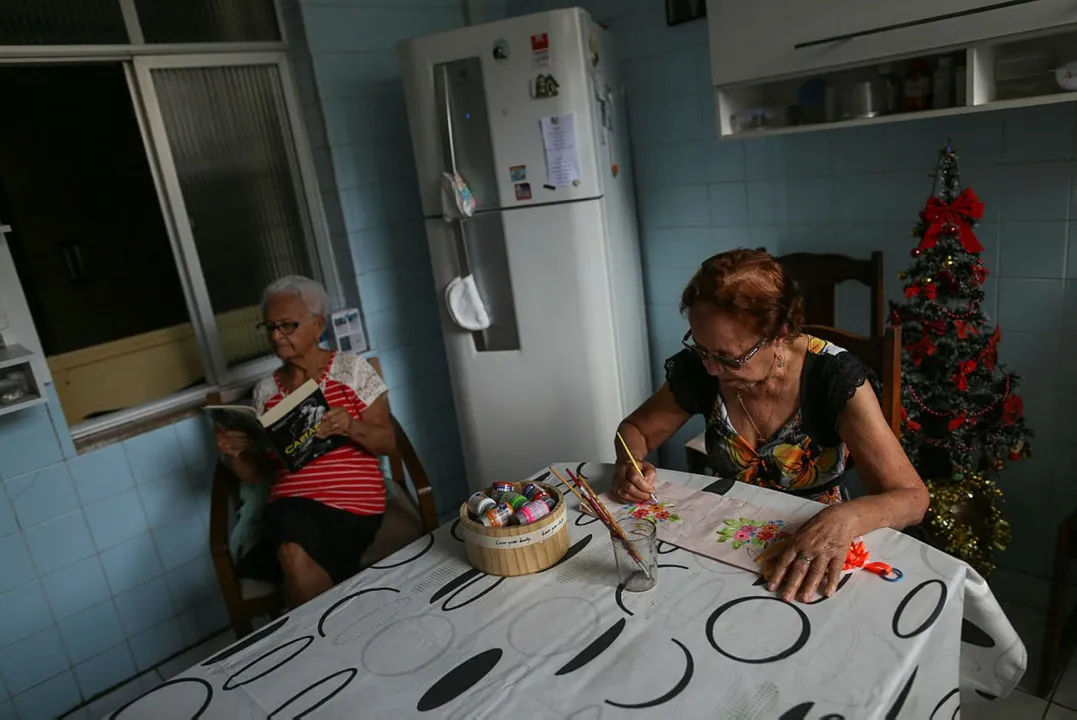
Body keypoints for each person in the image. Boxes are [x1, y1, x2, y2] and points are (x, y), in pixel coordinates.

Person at [612, 249, 928, 604]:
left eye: (730, 358)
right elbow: (635, 431)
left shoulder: (832, 378)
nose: (712, 369)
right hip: (727, 538)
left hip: (818, 547)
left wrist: (846, 519)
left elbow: (913, 499)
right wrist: (629, 463)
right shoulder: (702, 366)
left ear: (780, 334)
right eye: (701, 349)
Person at [214, 276, 394, 607]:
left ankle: (314, 634)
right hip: (289, 504)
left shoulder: (351, 370)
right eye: (268, 327)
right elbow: (255, 475)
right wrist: (233, 453)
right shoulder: (266, 391)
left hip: (350, 505)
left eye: (287, 325)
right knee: (289, 542)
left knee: (289, 549)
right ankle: (332, 629)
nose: (275, 336)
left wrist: (350, 426)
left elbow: (387, 443)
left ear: (318, 325)